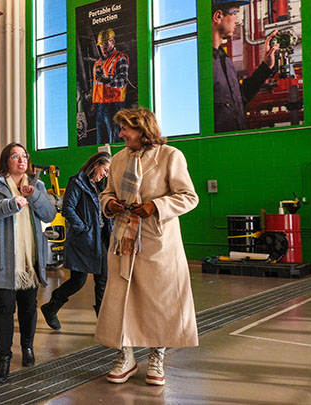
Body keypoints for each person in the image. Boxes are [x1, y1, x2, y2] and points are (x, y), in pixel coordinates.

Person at [95, 108, 199, 386]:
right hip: (123, 240)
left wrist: (156, 206)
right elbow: (107, 192)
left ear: (142, 128)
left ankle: (157, 357)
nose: (120, 134)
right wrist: (110, 204)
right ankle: (126, 357)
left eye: (125, 128)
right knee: (122, 300)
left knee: (159, 302)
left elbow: (189, 197)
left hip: (157, 242)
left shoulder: (170, 156)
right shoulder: (119, 159)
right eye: (120, 128)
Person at [0, 142, 57, 383]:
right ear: (6, 160)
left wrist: (35, 197)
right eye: (15, 156)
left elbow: (50, 214)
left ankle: (28, 347)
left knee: (29, 307)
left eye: (24, 156)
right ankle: (4, 359)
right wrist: (11, 203)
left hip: (29, 259)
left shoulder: (37, 184)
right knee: (3, 309)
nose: (21, 160)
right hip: (4, 259)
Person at [40, 152, 112, 331]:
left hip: (101, 239)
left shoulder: (101, 186)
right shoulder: (77, 182)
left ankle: (103, 324)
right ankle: (51, 307)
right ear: (96, 164)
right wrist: (83, 228)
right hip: (83, 240)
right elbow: (68, 209)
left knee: (103, 281)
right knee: (78, 281)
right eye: (105, 170)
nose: (106, 174)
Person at [212, 0, 279, 132]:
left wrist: (265, 66)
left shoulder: (224, 59)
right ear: (218, 16)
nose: (237, 21)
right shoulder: (202, 63)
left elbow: (240, 97)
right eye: (234, 13)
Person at [92, 28, 129, 145]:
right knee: (100, 142)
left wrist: (107, 80)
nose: (103, 47)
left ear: (112, 41)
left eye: (105, 44)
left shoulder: (120, 58)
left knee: (113, 141)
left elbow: (123, 81)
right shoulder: (97, 63)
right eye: (101, 45)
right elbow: (96, 86)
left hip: (114, 105)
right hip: (100, 106)